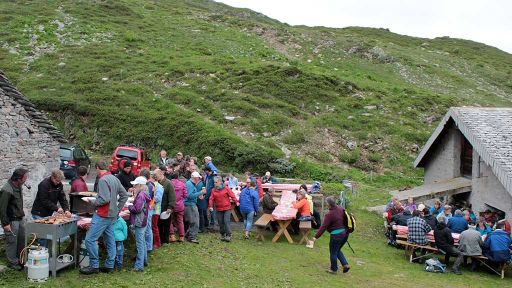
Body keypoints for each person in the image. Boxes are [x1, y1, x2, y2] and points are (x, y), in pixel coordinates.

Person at [80, 161, 128, 275]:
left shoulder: (102, 180)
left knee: (89, 239)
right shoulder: (114, 178)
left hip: (103, 214)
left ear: (98, 168)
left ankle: (94, 266)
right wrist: (117, 209)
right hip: (112, 215)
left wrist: (92, 202)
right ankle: (109, 265)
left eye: (95, 170)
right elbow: (124, 195)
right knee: (110, 240)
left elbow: (104, 199)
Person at [0, 168, 29, 271]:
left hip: (20, 218)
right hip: (11, 220)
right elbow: (2, 209)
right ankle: (12, 262)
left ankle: (21, 260)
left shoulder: (18, 186)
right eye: (25, 177)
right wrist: (5, 224)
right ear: (18, 178)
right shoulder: (7, 190)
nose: (26, 179)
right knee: (12, 242)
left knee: (22, 239)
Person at [312, 197, 350, 274]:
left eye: (326, 204)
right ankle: (345, 265)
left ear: (329, 205)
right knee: (337, 250)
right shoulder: (341, 208)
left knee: (333, 252)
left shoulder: (329, 215)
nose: (326, 205)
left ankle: (333, 269)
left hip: (337, 235)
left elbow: (323, 227)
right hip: (345, 233)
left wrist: (316, 237)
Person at [128, 176, 151, 272]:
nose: (134, 187)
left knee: (139, 244)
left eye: (135, 185)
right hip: (143, 220)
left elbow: (137, 209)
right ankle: (144, 261)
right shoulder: (145, 193)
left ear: (140, 185)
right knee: (142, 242)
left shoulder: (141, 195)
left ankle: (139, 266)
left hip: (140, 221)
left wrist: (129, 207)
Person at [209, 176, 239, 242]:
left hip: (227, 208)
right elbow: (211, 198)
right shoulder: (213, 190)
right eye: (214, 182)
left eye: (216, 182)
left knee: (226, 221)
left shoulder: (226, 188)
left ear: (220, 182)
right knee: (220, 222)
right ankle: (223, 234)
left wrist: (236, 201)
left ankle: (229, 235)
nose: (214, 183)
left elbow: (232, 195)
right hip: (219, 208)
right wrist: (210, 206)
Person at [154, 168, 175, 244]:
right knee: (159, 225)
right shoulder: (156, 183)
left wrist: (170, 207)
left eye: (156, 175)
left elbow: (172, 196)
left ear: (161, 174)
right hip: (158, 208)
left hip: (166, 208)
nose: (155, 177)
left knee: (166, 226)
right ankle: (160, 240)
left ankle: (165, 241)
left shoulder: (168, 183)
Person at [184, 171, 204, 243]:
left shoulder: (190, 183)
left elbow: (192, 194)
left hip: (190, 204)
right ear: (195, 178)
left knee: (193, 221)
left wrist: (198, 196)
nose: (199, 180)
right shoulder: (190, 184)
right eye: (198, 178)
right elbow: (190, 196)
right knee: (195, 222)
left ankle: (188, 235)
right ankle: (192, 237)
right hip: (190, 205)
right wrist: (200, 192)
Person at [169, 172, 187, 242]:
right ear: (178, 177)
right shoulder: (182, 184)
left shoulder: (169, 183)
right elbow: (185, 195)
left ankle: (172, 236)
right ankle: (182, 236)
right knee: (180, 221)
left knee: (170, 220)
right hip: (180, 205)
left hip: (171, 205)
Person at [199, 166, 215, 231]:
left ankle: (212, 223)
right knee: (204, 209)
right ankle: (206, 223)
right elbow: (205, 185)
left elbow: (213, 188)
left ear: (208, 170)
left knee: (211, 210)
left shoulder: (213, 177)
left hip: (211, 196)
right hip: (206, 196)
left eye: (205, 171)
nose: (204, 172)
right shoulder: (207, 177)